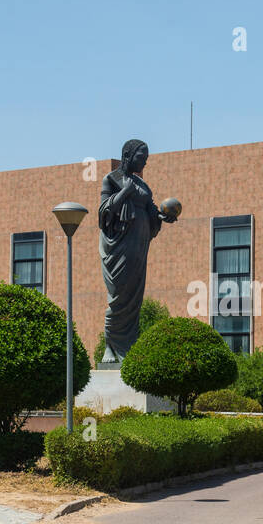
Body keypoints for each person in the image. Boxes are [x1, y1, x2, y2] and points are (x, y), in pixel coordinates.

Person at [97, 139, 177, 362]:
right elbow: (103, 214)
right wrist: (124, 193)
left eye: (146, 159)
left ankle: (129, 347)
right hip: (118, 247)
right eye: (141, 158)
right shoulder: (111, 179)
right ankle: (110, 348)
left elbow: (152, 211)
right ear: (127, 156)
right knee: (118, 296)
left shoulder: (143, 185)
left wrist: (164, 216)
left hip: (139, 246)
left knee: (134, 298)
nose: (144, 163)